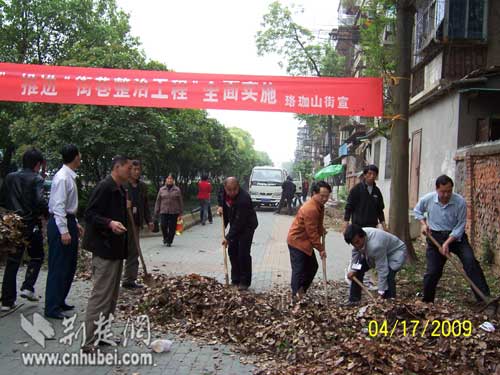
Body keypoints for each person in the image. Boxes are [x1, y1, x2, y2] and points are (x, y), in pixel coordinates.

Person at [414, 175, 491, 303]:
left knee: (470, 262)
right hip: (435, 237)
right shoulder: (427, 199)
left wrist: (447, 243)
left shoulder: (459, 202)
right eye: (443, 191)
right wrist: (423, 223)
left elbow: (460, 225)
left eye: (449, 191)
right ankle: (427, 301)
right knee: (432, 271)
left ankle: (484, 298)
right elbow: (417, 211)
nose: (446, 195)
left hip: (456, 238)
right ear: (437, 189)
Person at [82, 155, 131, 347]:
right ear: (117, 167)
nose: (130, 171)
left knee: (111, 297)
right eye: (128, 168)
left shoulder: (120, 189)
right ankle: (89, 341)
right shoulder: (104, 187)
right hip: (104, 248)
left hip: (116, 249)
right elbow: (90, 214)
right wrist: (109, 223)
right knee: (101, 296)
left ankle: (102, 335)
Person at [0, 148, 48, 311]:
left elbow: (3, 199)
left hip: (12, 224)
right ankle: (28, 286)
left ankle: (7, 301)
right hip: (30, 223)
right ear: (37, 164)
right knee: (37, 255)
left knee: (12, 262)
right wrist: (46, 214)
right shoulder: (37, 179)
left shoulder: (10, 177)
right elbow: (40, 200)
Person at [45, 144, 84, 319]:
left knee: (69, 265)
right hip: (60, 223)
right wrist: (63, 230)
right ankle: (51, 306)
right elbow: (58, 206)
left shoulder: (69, 176)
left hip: (68, 220)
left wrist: (74, 223)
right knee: (59, 266)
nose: (81, 157)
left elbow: (68, 206)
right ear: (75, 157)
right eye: (80, 154)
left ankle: (60, 300)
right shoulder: (62, 178)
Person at [287, 181, 330, 301]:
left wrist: (321, 230)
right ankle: (295, 296)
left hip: (306, 243)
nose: (325, 199)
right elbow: (312, 233)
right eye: (322, 196)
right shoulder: (310, 208)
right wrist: (321, 249)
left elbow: (318, 224)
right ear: (314, 193)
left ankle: (301, 290)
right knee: (299, 269)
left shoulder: (320, 206)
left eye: (327, 196)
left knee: (312, 267)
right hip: (297, 241)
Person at [344, 224, 407, 303]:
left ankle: (389, 301)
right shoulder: (357, 236)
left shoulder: (375, 245)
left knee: (388, 275)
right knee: (358, 270)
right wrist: (353, 270)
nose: (356, 245)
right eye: (353, 244)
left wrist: (381, 291)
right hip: (376, 253)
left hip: (395, 252)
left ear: (363, 236)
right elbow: (355, 253)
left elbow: (382, 269)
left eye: (357, 242)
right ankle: (354, 300)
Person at [217, 177, 258, 291]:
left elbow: (239, 223)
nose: (232, 192)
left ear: (238, 187)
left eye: (234, 189)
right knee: (232, 252)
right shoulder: (224, 193)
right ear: (225, 188)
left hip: (247, 226)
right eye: (229, 190)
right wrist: (220, 207)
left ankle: (244, 282)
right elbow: (221, 199)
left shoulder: (244, 199)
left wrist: (228, 237)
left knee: (243, 253)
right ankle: (235, 279)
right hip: (235, 222)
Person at [122, 160, 153, 289]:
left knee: (134, 251)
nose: (136, 172)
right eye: (134, 169)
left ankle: (129, 279)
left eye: (138, 169)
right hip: (122, 223)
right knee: (121, 251)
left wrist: (149, 220)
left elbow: (145, 205)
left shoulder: (142, 187)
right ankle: (116, 278)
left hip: (135, 223)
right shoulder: (123, 186)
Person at [343, 164, 387, 232]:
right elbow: (349, 207)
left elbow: (380, 210)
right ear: (364, 175)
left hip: (372, 227)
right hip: (358, 226)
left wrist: (384, 226)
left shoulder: (377, 191)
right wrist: (346, 224)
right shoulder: (356, 189)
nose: (372, 176)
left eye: (374, 174)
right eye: (369, 173)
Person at [154, 174, 183, 247]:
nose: (169, 180)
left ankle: (169, 241)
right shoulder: (161, 189)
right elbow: (158, 201)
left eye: (171, 179)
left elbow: (180, 201)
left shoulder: (177, 189)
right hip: (164, 210)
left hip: (174, 211)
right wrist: (156, 211)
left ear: (173, 180)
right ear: (166, 180)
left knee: (172, 227)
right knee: (163, 225)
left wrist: (180, 212)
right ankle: (165, 237)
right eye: (168, 178)